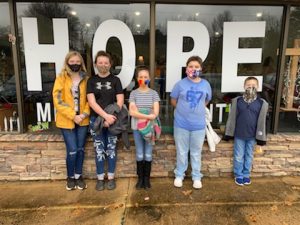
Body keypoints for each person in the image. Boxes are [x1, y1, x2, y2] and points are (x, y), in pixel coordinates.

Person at [170, 56, 212, 189]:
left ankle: (196, 176)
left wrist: (196, 110)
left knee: (196, 152)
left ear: (201, 69)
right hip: (181, 124)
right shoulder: (180, 84)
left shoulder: (206, 84)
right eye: (191, 66)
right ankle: (179, 174)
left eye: (196, 67)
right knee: (181, 151)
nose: (193, 69)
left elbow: (206, 100)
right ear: (186, 68)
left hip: (198, 125)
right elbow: (173, 101)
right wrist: (184, 112)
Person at [53, 51, 90, 191]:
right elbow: (57, 99)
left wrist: (84, 114)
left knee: (80, 150)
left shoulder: (86, 79)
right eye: (72, 62)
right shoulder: (61, 77)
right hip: (66, 120)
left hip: (82, 120)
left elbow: (90, 99)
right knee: (72, 150)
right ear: (67, 62)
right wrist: (72, 115)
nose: (75, 64)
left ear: (81, 63)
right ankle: (70, 177)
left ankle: (78, 176)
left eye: (77, 62)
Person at [87, 50, 124, 191]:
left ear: (110, 64)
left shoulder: (116, 80)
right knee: (99, 150)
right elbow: (91, 102)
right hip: (96, 120)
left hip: (113, 120)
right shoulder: (91, 80)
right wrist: (104, 117)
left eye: (106, 63)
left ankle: (111, 178)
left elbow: (119, 101)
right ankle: (100, 178)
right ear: (96, 64)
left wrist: (111, 117)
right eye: (100, 62)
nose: (103, 65)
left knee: (111, 149)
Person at [224, 76, 268, 186]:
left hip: (252, 135)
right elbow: (232, 118)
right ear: (244, 86)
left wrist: (261, 139)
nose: (251, 87)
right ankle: (238, 174)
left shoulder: (261, 103)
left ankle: (246, 174)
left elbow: (262, 122)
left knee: (249, 155)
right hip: (239, 134)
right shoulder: (237, 101)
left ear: (258, 87)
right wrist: (229, 133)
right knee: (238, 156)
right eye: (249, 85)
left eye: (253, 85)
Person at [129, 66, 160, 189]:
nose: (143, 79)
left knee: (148, 154)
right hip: (137, 128)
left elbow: (155, 113)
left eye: (145, 77)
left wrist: (139, 113)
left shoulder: (154, 93)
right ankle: (140, 179)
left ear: (149, 78)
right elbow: (132, 113)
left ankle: (146, 179)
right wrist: (147, 114)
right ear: (137, 79)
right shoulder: (133, 93)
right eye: (140, 77)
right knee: (139, 154)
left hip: (150, 129)